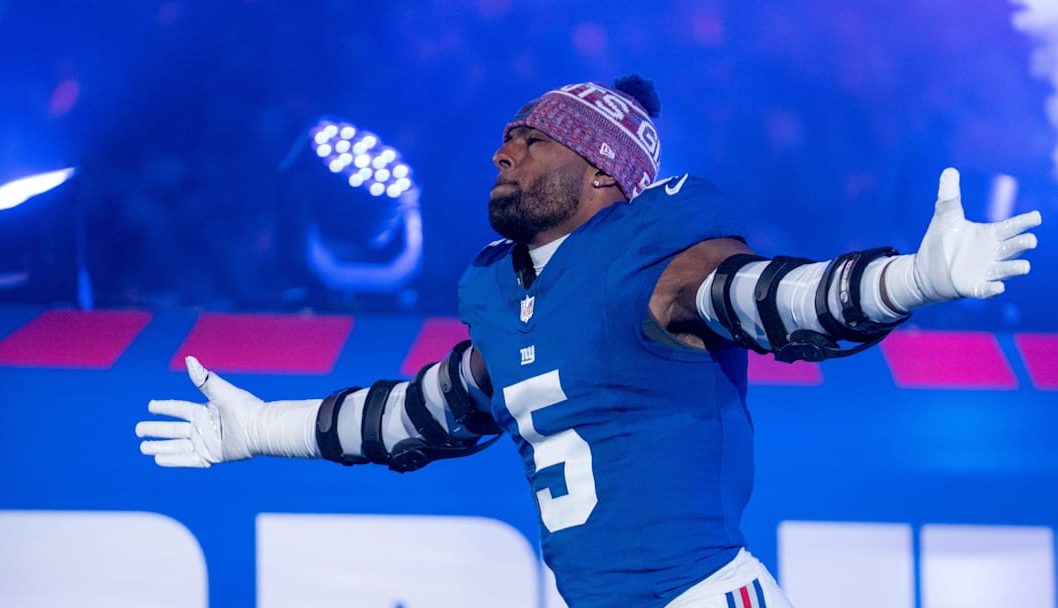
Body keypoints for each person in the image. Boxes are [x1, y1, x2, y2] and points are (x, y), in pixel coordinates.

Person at [136, 75, 1042, 608]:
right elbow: (418, 415)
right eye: (505, 138)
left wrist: (912, 280)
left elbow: (775, 301)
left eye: (532, 141)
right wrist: (262, 429)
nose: (504, 153)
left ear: (605, 171)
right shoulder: (512, 293)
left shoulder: (659, 261)